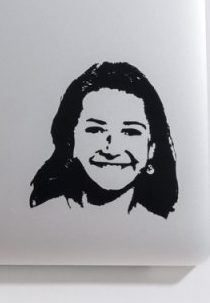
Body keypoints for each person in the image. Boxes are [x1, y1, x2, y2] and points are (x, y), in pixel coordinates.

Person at [29, 62, 178, 218]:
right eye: (96, 130)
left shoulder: (163, 225)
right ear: (70, 139)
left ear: (152, 147)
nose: (112, 150)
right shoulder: (38, 218)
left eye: (130, 132)